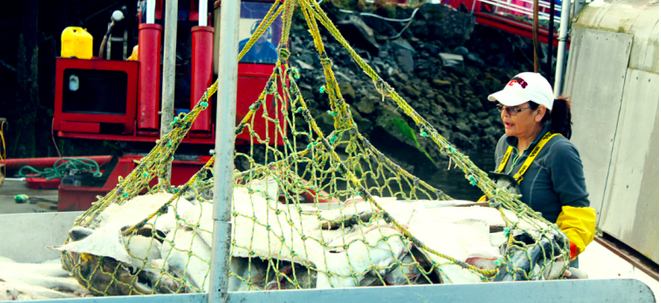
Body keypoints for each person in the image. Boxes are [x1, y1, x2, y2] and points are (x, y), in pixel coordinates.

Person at [487, 72, 596, 266]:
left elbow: (579, 213)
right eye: (502, 107)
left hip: (544, 264)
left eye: (513, 108)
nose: (505, 114)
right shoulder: (504, 143)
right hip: (506, 253)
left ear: (539, 112)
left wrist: (561, 255)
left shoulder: (560, 151)